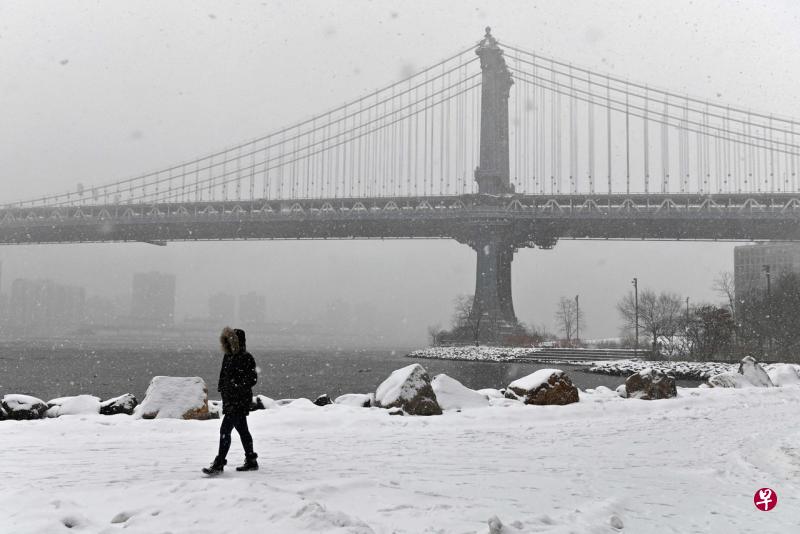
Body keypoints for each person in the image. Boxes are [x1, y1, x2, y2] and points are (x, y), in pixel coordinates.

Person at [202, 327, 259, 475]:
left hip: (239, 401)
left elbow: (252, 379)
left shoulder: (246, 357)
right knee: (243, 431)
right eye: (227, 340)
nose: (229, 343)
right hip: (229, 400)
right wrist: (222, 389)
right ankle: (251, 460)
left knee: (225, 431)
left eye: (232, 340)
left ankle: (219, 463)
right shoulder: (228, 356)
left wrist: (236, 386)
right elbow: (223, 376)